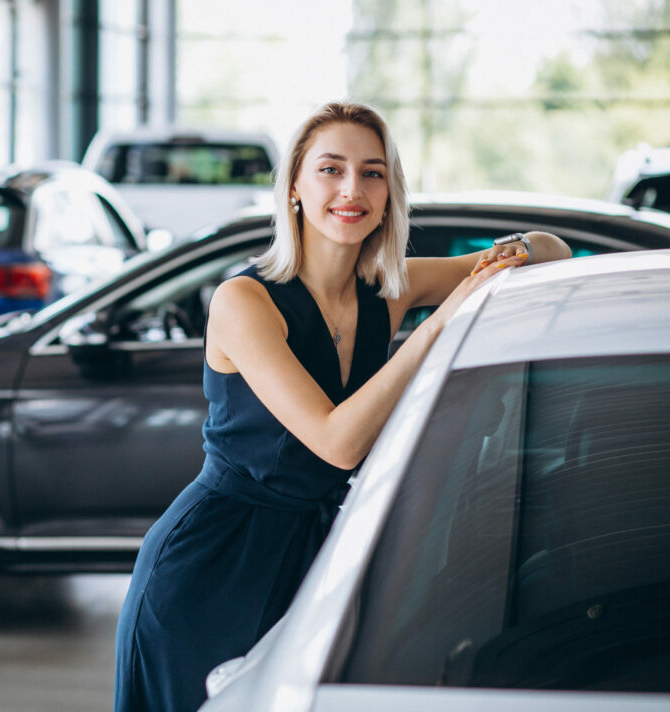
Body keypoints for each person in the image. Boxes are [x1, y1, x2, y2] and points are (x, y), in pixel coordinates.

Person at [113, 101, 572, 712]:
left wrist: (505, 254)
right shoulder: (244, 301)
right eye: (331, 169)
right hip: (210, 566)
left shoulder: (385, 290)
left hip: (319, 555)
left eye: (373, 173)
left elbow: (555, 251)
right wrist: (438, 327)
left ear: (389, 193)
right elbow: (336, 441)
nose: (352, 189)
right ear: (296, 187)